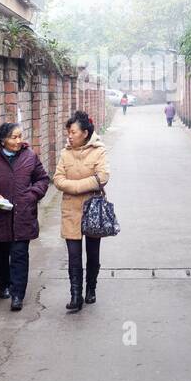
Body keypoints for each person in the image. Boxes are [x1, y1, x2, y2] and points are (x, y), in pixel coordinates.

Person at [0, 122, 50, 311]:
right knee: (0, 255)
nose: (18, 141)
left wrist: (32, 195)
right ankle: (3, 285)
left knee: (20, 255)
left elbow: (43, 179)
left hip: (23, 215)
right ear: (2, 140)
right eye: (14, 137)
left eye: (20, 136)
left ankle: (17, 295)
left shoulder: (30, 156)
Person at [53, 110, 109, 311]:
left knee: (92, 254)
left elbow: (102, 177)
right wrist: (83, 185)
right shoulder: (65, 153)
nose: (69, 135)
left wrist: (74, 186)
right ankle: (75, 295)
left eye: (73, 132)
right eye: (68, 131)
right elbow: (57, 179)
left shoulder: (99, 150)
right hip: (70, 210)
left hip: (93, 209)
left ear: (85, 133)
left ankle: (90, 289)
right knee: (74, 255)